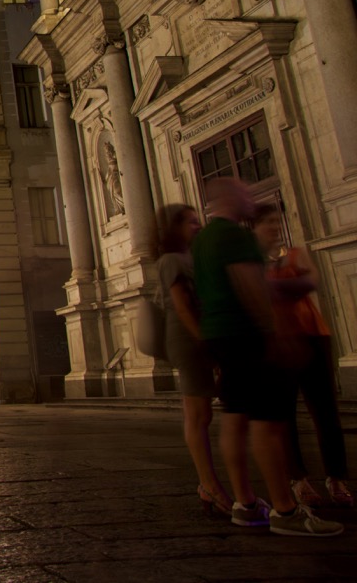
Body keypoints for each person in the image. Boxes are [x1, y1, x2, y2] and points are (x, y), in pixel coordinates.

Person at [192, 178, 341, 536]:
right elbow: (251, 286)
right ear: (230, 199)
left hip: (220, 336)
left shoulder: (201, 240)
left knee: (234, 419)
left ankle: (245, 504)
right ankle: (286, 512)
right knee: (269, 425)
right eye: (244, 193)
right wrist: (277, 334)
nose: (250, 197)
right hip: (248, 336)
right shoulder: (235, 237)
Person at [251, 203, 353, 508]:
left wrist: (274, 285)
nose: (274, 227)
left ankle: (336, 477)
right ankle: (298, 479)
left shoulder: (296, 254)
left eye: (276, 221)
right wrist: (287, 284)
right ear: (254, 228)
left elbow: (311, 281)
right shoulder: (253, 263)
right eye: (267, 222)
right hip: (278, 341)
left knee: (326, 413)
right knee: (285, 416)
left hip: (313, 335)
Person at [156, 203, 232, 516]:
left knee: (201, 413)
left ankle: (208, 483)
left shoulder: (189, 257)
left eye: (198, 220)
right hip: (188, 338)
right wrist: (206, 342)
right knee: (198, 413)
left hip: (197, 334)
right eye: (190, 222)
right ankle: (208, 485)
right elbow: (184, 307)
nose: (197, 225)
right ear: (173, 228)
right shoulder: (171, 259)